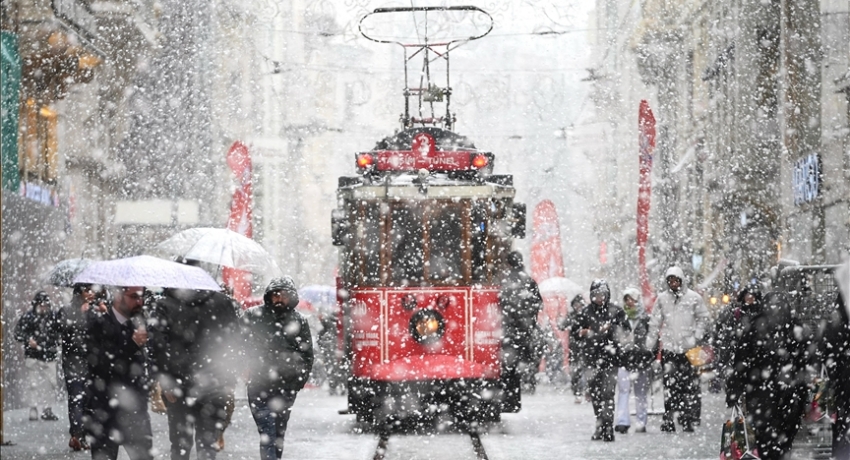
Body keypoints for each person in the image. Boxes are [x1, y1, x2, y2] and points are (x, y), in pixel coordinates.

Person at [148, 283, 242, 460]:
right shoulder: (222, 302)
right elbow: (234, 342)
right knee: (207, 443)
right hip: (214, 382)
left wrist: (166, 380)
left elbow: (157, 346)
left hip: (177, 384)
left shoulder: (165, 305)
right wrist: (229, 380)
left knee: (180, 444)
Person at [725, 288, 809, 460]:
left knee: (768, 439)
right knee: (780, 438)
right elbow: (805, 361)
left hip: (766, 391)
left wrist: (735, 388)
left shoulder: (757, 326)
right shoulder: (793, 326)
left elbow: (741, 361)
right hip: (781, 392)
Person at [242, 277, 314, 460]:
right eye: (276, 295)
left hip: (286, 387)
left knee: (279, 432)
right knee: (267, 432)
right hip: (259, 384)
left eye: (284, 295)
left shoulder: (299, 320)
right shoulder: (251, 316)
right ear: (269, 296)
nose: (279, 299)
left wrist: (298, 382)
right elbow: (236, 344)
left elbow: (307, 355)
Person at [84, 286, 153, 460]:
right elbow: (98, 366)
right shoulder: (98, 323)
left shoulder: (140, 323)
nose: (140, 301)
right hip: (105, 411)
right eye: (134, 296)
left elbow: (143, 363)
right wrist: (131, 345)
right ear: (118, 296)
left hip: (136, 412)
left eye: (141, 296)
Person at [645, 266, 710, 433]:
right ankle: (669, 418)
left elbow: (704, 318)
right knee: (670, 386)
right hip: (669, 349)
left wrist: (696, 336)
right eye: (670, 281)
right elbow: (654, 323)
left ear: (681, 281)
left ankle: (688, 418)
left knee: (690, 386)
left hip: (690, 349)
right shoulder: (662, 299)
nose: (673, 283)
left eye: (676, 280)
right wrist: (650, 343)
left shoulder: (693, 298)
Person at [571, 279, 628, 441]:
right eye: (595, 294)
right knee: (595, 395)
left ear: (607, 294)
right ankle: (600, 424)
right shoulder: (585, 312)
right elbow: (575, 331)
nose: (599, 298)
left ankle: (608, 426)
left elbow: (625, 330)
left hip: (611, 359)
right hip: (590, 359)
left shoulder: (616, 311)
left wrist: (612, 328)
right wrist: (582, 332)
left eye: (602, 294)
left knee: (608, 394)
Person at [59, 284, 106, 450]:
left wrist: (104, 314)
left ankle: (82, 435)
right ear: (79, 293)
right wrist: (80, 315)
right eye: (88, 290)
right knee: (76, 398)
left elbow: (103, 334)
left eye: (93, 290)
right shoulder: (65, 311)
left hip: (91, 362)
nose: (92, 294)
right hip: (73, 362)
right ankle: (77, 434)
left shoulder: (96, 310)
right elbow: (63, 331)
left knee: (87, 399)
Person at [498, 251, 544, 401]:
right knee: (527, 354)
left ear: (509, 264)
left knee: (509, 362)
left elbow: (500, 305)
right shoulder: (529, 281)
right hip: (526, 329)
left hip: (508, 331)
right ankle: (528, 381)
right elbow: (538, 304)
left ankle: (509, 392)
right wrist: (529, 320)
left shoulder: (504, 281)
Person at [13, 290, 62, 422]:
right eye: (41, 305)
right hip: (33, 356)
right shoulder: (28, 317)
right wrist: (28, 339)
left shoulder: (53, 317)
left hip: (49, 355)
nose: (43, 307)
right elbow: (17, 333)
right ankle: (33, 408)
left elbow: (60, 332)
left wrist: (55, 341)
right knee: (33, 384)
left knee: (51, 384)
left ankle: (47, 409)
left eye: (45, 304)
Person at [615, 287, 652, 434]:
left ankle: (641, 422)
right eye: (627, 299)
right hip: (624, 360)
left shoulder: (645, 319)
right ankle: (622, 421)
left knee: (640, 392)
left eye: (632, 299)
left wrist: (650, 355)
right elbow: (616, 338)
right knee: (623, 390)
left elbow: (653, 339)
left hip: (641, 360)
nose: (630, 302)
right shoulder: (620, 318)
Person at [819, 292, 849, 459]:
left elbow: (826, 352)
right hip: (842, 382)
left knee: (841, 426)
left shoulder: (834, 320)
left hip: (841, 385)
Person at [558, 294, 589, 404]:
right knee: (575, 373)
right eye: (576, 304)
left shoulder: (587, 315)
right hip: (574, 348)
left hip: (587, 347)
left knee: (587, 371)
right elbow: (561, 326)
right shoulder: (571, 316)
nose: (577, 306)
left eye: (579, 304)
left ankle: (588, 391)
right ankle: (577, 393)